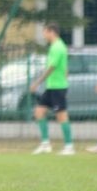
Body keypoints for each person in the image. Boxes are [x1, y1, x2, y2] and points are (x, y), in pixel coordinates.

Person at [30, 22, 74, 155]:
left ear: (51, 32)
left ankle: (69, 146)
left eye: (45, 32)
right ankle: (45, 144)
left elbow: (51, 67)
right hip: (52, 87)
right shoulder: (56, 46)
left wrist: (37, 82)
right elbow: (65, 68)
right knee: (39, 112)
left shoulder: (57, 47)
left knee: (61, 116)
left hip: (57, 87)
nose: (44, 35)